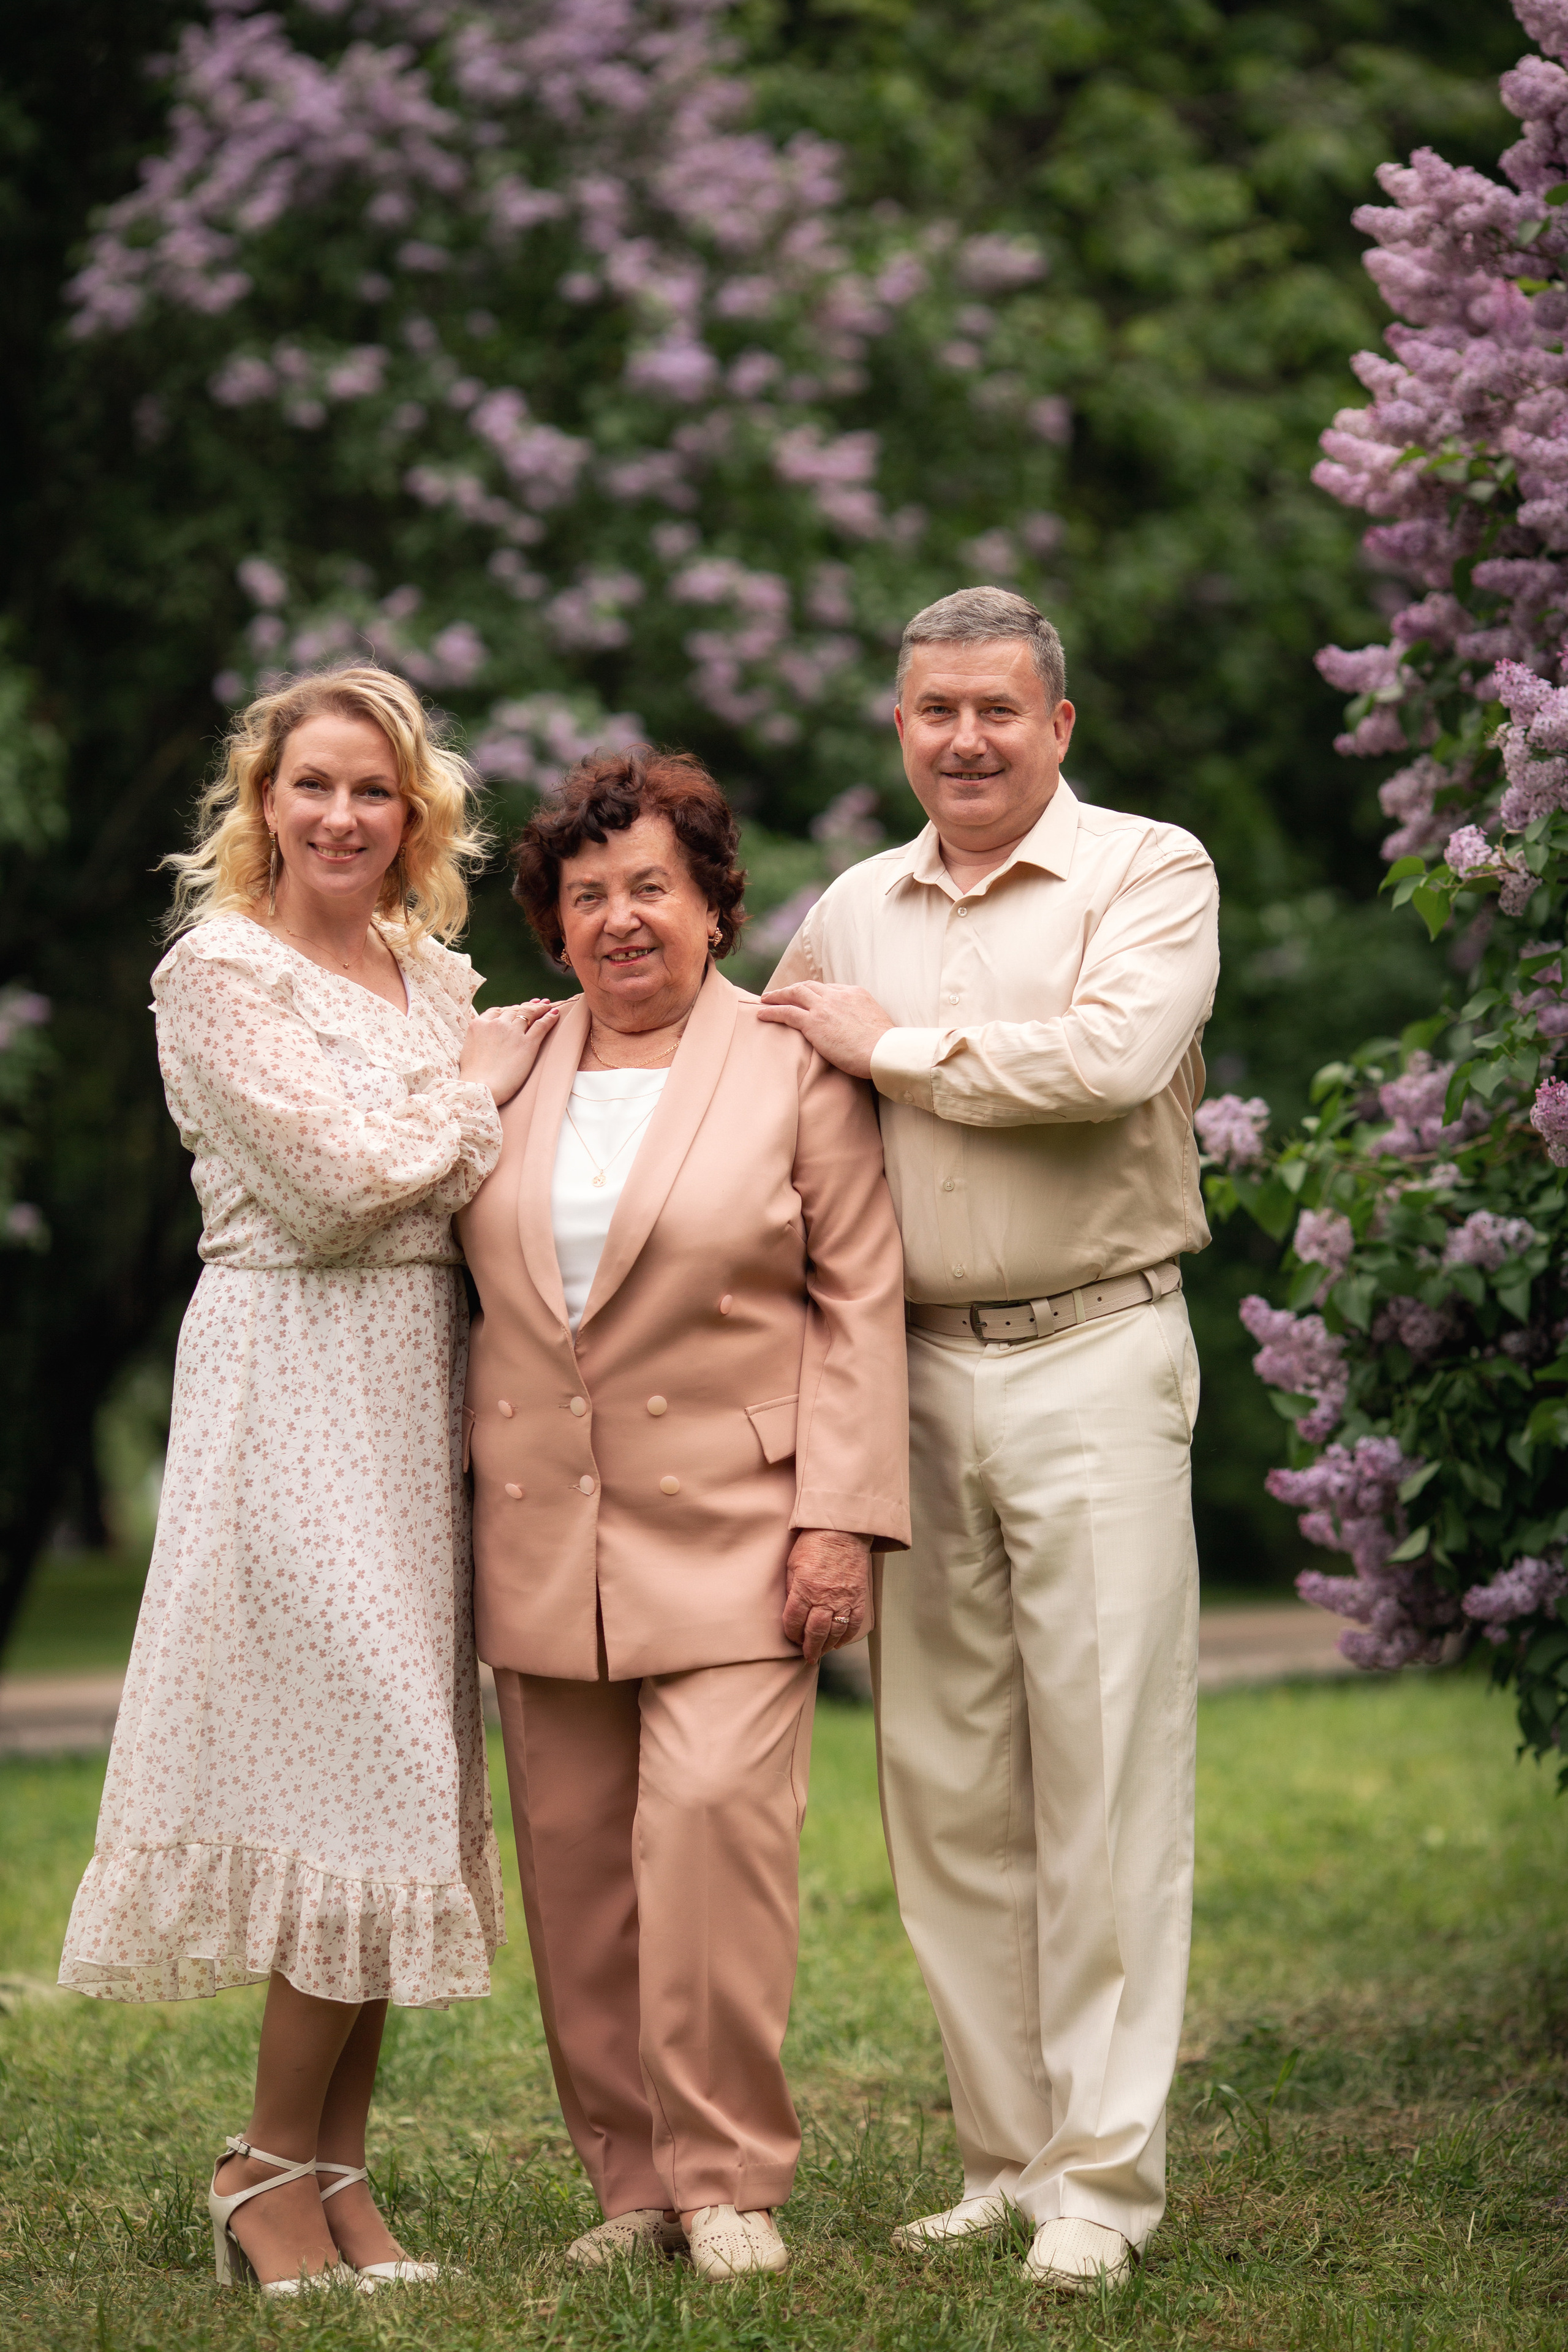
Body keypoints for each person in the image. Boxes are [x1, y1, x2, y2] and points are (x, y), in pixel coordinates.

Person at [58, 663, 554, 2297]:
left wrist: (460, 1095)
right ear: (263, 802)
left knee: (399, 1783)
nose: (342, 816)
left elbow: (447, 1176)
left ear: (415, 813)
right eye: (312, 785)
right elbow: (340, 1186)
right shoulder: (222, 972)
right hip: (290, 1372)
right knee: (361, 1765)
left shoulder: (432, 973)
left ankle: (335, 2173)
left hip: (418, 1387)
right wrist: (473, 1093)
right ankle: (263, 2171)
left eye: (373, 790)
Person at [759, 586, 1219, 2290]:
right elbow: (756, 1086)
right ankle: (1005, 2159)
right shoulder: (851, 908)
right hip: (908, 1377)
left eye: (997, 710)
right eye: (935, 711)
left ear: (1057, 726)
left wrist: (895, 1049)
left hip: (1097, 1349)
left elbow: (1109, 1060)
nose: (965, 739)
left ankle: (1101, 2184)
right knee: (947, 1787)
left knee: (1104, 1778)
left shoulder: (1148, 870)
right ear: (900, 728)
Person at [456, 748, 910, 2281]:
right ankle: (633, 2186)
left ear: (714, 903)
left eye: (650, 885)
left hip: (740, 1526)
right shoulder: (504, 1062)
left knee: (714, 1831)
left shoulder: (791, 1066)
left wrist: (837, 1521)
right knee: (577, 1868)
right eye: (586, 896)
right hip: (543, 1532)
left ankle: (726, 2182)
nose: (620, 919)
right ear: (554, 927)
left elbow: (857, 1304)